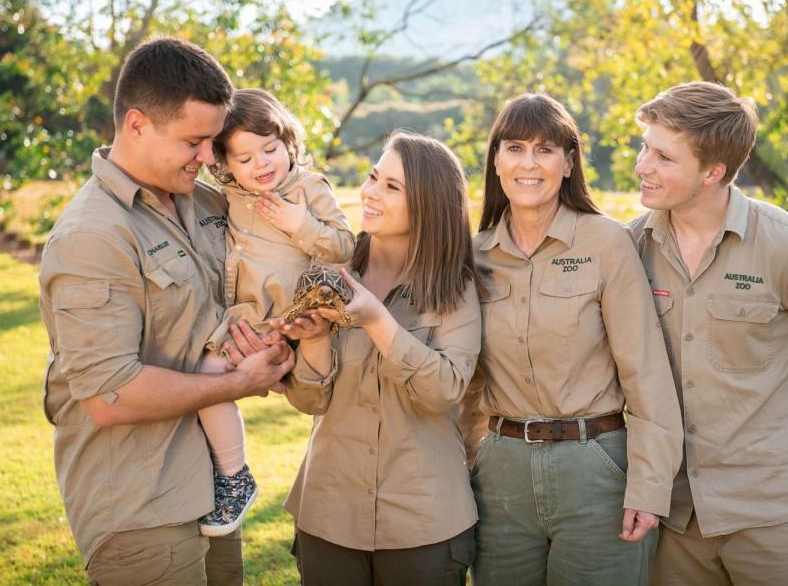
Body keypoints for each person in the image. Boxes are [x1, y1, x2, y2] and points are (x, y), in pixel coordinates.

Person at [38, 37, 294, 585]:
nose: (208, 157)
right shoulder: (92, 235)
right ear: (136, 124)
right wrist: (239, 383)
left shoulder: (204, 203)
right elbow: (110, 395)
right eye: (195, 141)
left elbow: (241, 301)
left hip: (212, 488)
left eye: (213, 140)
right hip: (139, 505)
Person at [628, 81, 788, 586]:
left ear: (713, 171)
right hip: (673, 519)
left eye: (663, 157)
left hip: (774, 514)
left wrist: (779, 442)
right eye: (644, 147)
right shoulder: (630, 247)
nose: (642, 166)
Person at [463, 93, 684, 586]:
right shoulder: (474, 254)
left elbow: (646, 374)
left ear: (568, 162)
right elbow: (461, 380)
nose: (528, 163)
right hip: (501, 473)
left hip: (596, 468)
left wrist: (648, 487)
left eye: (545, 150)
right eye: (515, 147)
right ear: (496, 159)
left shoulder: (606, 243)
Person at [275, 131, 481, 586]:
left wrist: (375, 320)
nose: (370, 192)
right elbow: (310, 402)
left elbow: (444, 390)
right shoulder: (331, 277)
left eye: (392, 187)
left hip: (424, 524)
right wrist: (312, 340)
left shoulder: (457, 289)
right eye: (373, 177)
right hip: (329, 516)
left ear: (427, 205)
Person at [195, 88, 355, 537]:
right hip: (247, 319)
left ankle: (234, 474)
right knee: (206, 375)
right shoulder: (227, 196)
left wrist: (298, 226)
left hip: (297, 318)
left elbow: (346, 246)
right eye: (244, 159)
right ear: (225, 164)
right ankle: (232, 471)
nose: (261, 165)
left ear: (289, 142)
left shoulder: (308, 188)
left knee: (314, 395)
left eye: (270, 149)